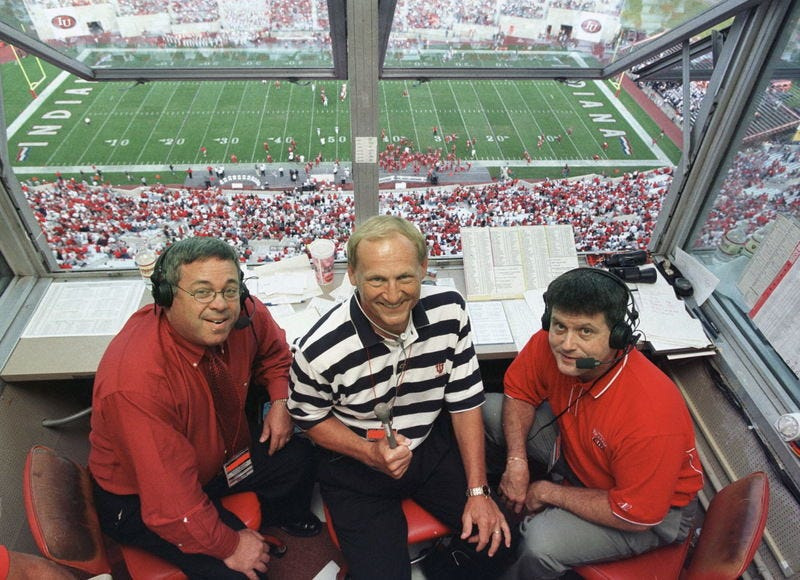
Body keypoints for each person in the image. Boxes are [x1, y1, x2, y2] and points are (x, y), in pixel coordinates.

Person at [289, 215, 511, 579]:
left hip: (428, 447)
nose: (393, 295)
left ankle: (445, 566)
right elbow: (309, 419)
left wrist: (477, 491)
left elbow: (465, 401)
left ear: (424, 267)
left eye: (405, 277)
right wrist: (369, 453)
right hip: (354, 464)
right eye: (376, 279)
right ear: (353, 276)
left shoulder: (450, 311)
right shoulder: (316, 349)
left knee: (498, 542)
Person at [89, 236, 320, 579]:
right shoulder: (137, 385)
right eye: (202, 292)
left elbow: (275, 354)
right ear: (166, 297)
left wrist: (280, 401)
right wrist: (229, 545)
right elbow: (170, 506)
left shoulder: (243, 313)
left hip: (215, 462)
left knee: (299, 455)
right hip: (146, 500)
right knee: (244, 573)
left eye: (229, 290)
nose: (221, 305)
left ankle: (276, 517)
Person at [482, 268, 704, 579]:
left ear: (617, 336)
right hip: (581, 460)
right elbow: (519, 394)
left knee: (540, 543)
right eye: (559, 327)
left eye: (586, 332)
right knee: (490, 411)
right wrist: (516, 462)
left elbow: (637, 514)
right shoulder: (560, 350)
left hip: (646, 514)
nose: (567, 345)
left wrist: (546, 492)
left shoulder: (651, 416)